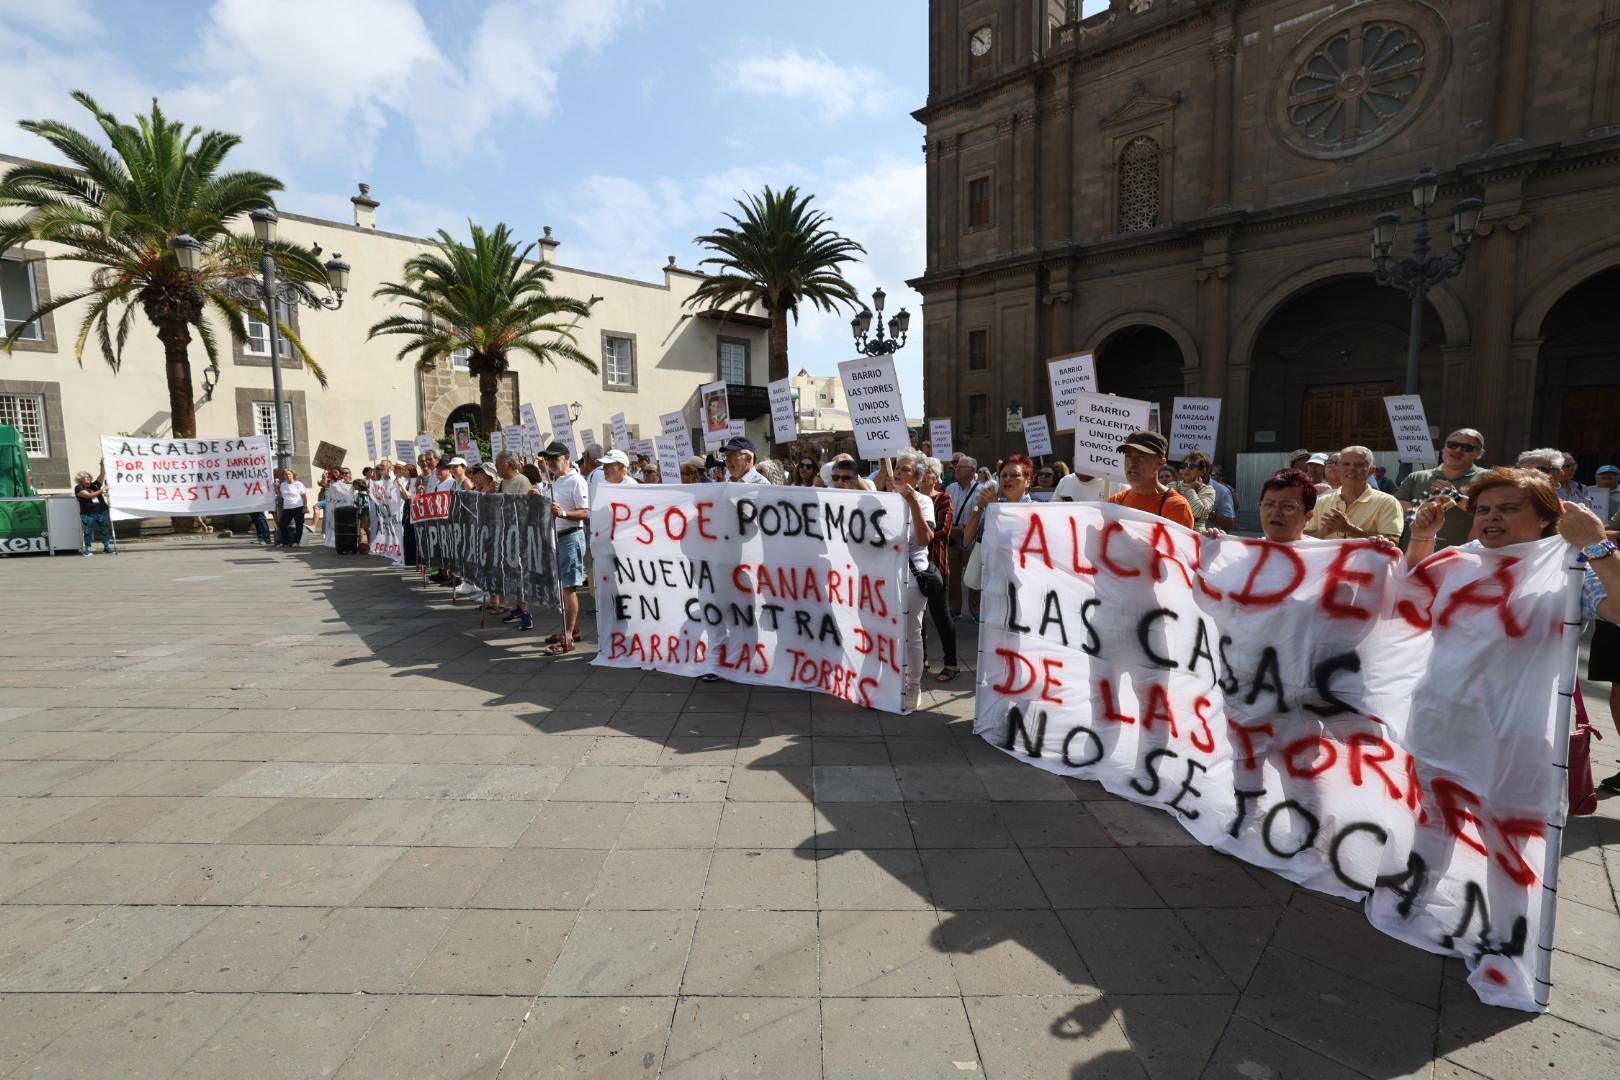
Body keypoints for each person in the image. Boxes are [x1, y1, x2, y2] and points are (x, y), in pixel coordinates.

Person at [1408, 468, 1620, 794]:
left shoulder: (1572, 568)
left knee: (1504, 837)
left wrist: (1596, 545)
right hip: (1438, 723)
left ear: (1546, 518)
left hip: (1517, 736)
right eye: (1483, 509)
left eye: (1509, 508)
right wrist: (1422, 539)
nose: (1493, 516)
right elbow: (1403, 606)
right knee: (1431, 830)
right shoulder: (1456, 560)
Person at [890, 450, 938, 710]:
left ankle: (913, 686)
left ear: (917, 478)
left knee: (911, 633)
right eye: (897, 467)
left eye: (905, 469)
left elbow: (923, 539)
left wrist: (912, 504)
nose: (898, 472)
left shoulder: (923, 501)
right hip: (885, 574)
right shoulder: (883, 499)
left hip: (912, 574)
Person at [1395, 427, 1489, 550]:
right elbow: (1395, 505)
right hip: (1414, 553)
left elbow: (1491, 511)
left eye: (1467, 448)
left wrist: (1456, 497)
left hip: (1459, 557)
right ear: (1444, 448)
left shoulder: (1488, 478)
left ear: (1479, 453)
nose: (1458, 450)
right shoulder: (1417, 477)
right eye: (1452, 445)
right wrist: (1419, 508)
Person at [541, 440, 589, 655]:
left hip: (570, 537)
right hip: (557, 537)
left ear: (566, 458)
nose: (551, 463)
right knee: (562, 587)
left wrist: (563, 514)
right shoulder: (555, 481)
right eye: (548, 459)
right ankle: (571, 628)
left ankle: (568, 636)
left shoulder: (576, 481)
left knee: (569, 588)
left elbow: (585, 512)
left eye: (555, 459)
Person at [1306, 445, 1402, 541]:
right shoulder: (1320, 502)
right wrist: (1323, 532)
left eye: (1359, 465)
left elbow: (1392, 541)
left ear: (1371, 471)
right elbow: (1303, 539)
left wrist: (1351, 530)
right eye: (1346, 464)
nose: (1351, 468)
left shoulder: (1387, 503)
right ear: (1338, 469)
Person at [919, 457, 959, 683]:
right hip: (914, 566)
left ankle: (951, 663)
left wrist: (918, 535)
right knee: (918, 617)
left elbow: (944, 529)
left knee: (941, 615)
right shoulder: (910, 498)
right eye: (920, 473)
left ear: (936, 477)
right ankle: (922, 657)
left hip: (936, 565)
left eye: (928, 473)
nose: (923, 477)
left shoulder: (943, 498)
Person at [1108, 431, 1195, 527]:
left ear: (1160, 463)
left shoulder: (1176, 506)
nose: (1132, 463)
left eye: (1141, 457)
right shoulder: (1116, 502)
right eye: (1128, 456)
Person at [495, 451, 535, 632]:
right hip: (507, 532)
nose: (496, 467)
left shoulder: (522, 482)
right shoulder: (503, 482)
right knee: (511, 572)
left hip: (519, 533)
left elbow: (525, 509)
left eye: (498, 464)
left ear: (509, 465)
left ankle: (526, 613)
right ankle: (518, 606)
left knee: (520, 573)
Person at [944, 456, 984, 621]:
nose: (957, 470)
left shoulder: (981, 491)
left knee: (973, 575)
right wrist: (950, 528)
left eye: (962, 467)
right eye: (957, 467)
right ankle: (955, 608)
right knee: (952, 576)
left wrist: (963, 529)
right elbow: (945, 509)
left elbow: (980, 516)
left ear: (973, 471)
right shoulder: (950, 488)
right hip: (952, 538)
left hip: (971, 538)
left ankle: (975, 609)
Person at [74, 465, 114, 555]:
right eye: (85, 477)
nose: (88, 478)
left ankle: (107, 547)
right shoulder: (79, 487)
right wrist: (102, 490)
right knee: (88, 531)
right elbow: (89, 496)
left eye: (89, 476)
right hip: (88, 513)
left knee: (105, 529)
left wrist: (102, 465)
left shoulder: (95, 485)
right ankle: (87, 549)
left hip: (102, 510)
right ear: (80, 479)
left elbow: (102, 474)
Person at [1172, 451, 1217, 529]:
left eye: (1192, 467)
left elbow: (1198, 512)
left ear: (1202, 471)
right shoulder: (1172, 485)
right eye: (1184, 465)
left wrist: (1189, 489)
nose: (1187, 469)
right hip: (1174, 532)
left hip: (1196, 535)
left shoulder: (1208, 490)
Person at [278, 468, 308, 546]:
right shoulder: (283, 484)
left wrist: (305, 506)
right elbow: (281, 495)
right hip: (287, 507)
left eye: (289, 474)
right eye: (285, 474)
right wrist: (275, 487)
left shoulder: (299, 484)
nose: (287, 476)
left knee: (299, 525)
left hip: (298, 506)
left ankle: (296, 542)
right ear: (284, 476)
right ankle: (286, 542)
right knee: (282, 524)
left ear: (293, 475)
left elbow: (304, 496)